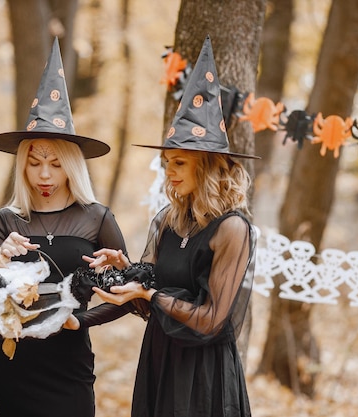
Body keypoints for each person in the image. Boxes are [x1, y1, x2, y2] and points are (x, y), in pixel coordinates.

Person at [85, 36, 258, 417]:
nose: (170, 172)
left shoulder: (232, 230)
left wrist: (148, 296)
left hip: (205, 373)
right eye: (167, 163)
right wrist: (123, 267)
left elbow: (211, 320)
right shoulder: (167, 219)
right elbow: (153, 288)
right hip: (161, 358)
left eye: (179, 162)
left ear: (207, 164)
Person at [0, 37, 129, 417]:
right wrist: (0, 259)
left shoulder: (97, 218)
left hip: (71, 369)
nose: (44, 174)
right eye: (34, 162)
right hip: (15, 369)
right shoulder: (6, 220)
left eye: (55, 162)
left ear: (71, 164)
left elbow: (128, 293)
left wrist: (77, 321)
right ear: (22, 165)